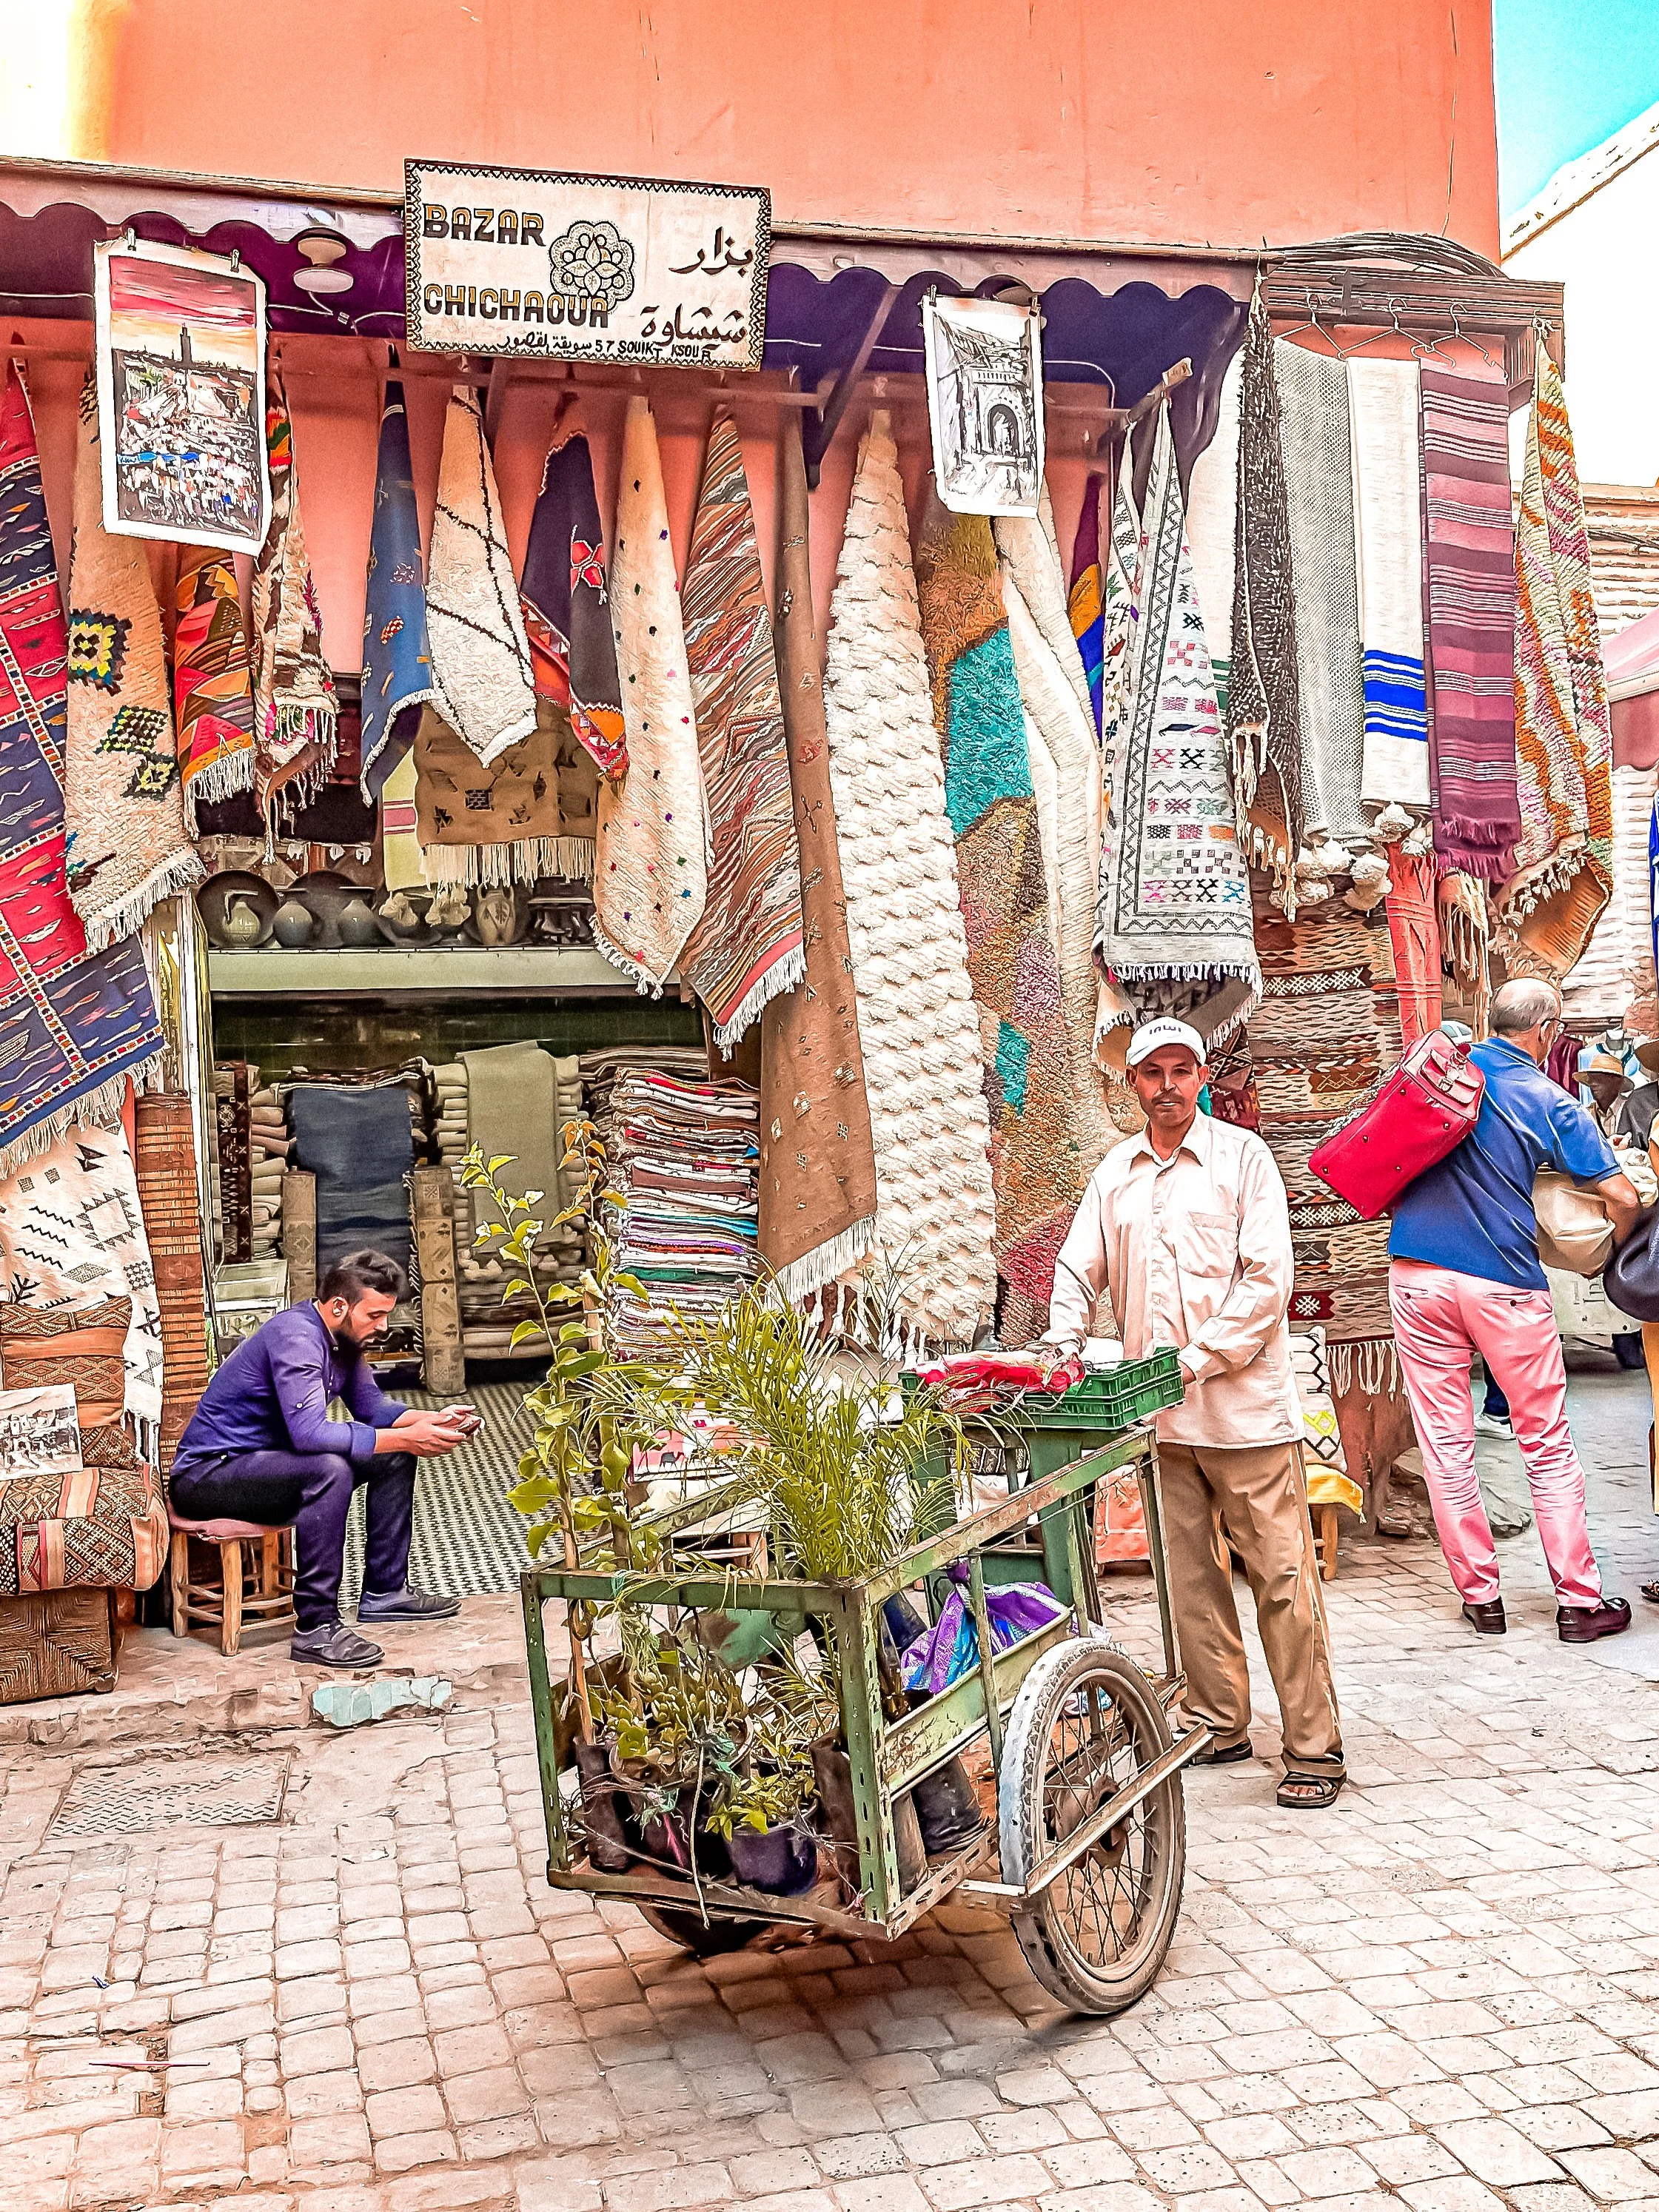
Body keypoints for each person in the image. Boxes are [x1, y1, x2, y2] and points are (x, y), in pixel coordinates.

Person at [1048, 1017, 1345, 1811]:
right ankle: (1218, 1720)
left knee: (1282, 1578)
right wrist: (1060, 1339)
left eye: (1183, 1070)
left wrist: (1194, 1360)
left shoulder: (1242, 1160)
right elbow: (1080, 1265)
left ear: (1202, 1076)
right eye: (1155, 1073)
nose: (1169, 1086)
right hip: (1163, 1421)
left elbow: (1266, 1282)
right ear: (1134, 1083)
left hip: (1245, 1413)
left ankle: (1314, 1747)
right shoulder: (1115, 1172)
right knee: (1189, 1581)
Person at [1388, 979, 1640, 1643]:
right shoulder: (1548, 1099)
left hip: (1415, 1273)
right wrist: (1606, 1254)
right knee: (1546, 1442)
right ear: (1548, 1030)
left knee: (1445, 1444)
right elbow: (1621, 1196)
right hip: (1501, 1283)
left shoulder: (1442, 1072)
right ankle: (1579, 1605)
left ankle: (1481, 1598)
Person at [170, 1250, 472, 1669]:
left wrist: (432, 1421)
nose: (383, 1327)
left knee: (394, 1455)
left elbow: (373, 1409)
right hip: (209, 1475)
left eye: (387, 1315)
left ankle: (386, 1593)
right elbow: (309, 1434)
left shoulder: (344, 1341)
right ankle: (316, 1627)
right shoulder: (297, 1337)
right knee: (329, 1469)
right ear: (338, 1306)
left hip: (266, 1463)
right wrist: (406, 1436)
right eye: (374, 1315)